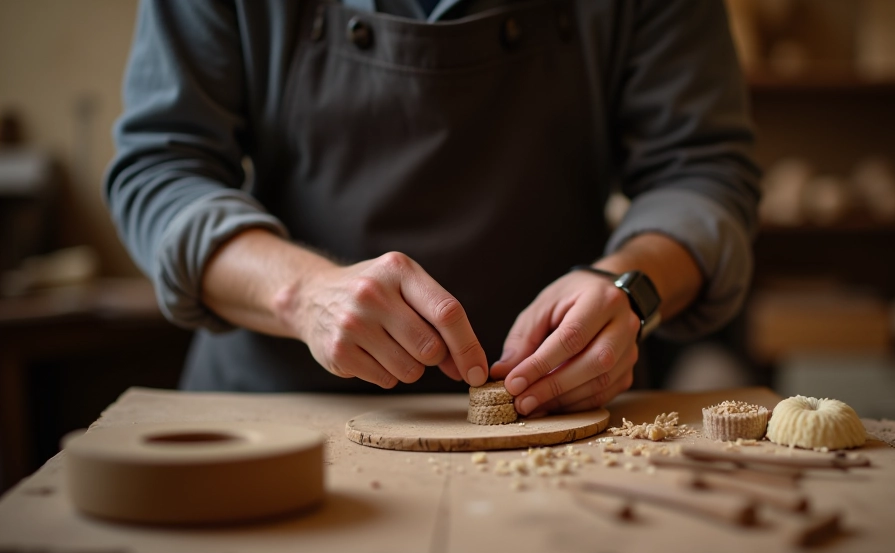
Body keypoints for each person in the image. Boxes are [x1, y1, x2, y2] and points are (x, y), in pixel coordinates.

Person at [105, 0, 760, 417]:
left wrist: (630, 287)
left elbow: (702, 172)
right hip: (276, 414)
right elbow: (161, 170)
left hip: (561, 419)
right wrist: (302, 293)